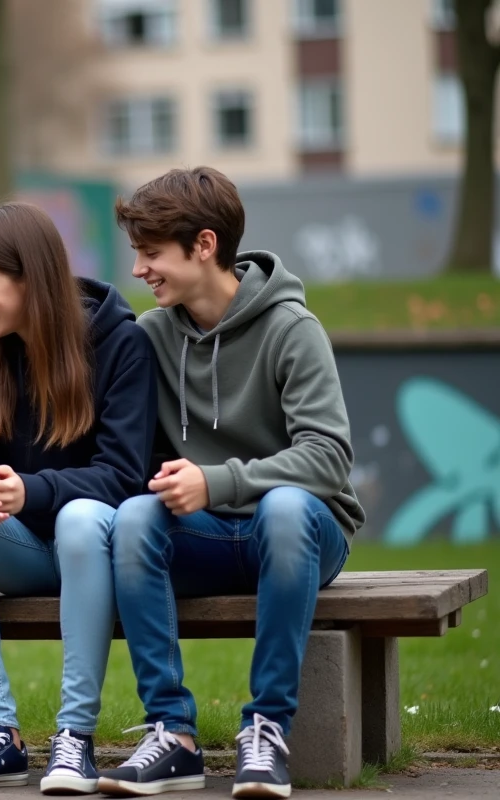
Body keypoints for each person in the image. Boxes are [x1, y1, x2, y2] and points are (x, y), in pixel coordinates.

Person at [97, 167, 362, 799]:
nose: (138, 269)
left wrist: (216, 483)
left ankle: (267, 728)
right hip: (210, 538)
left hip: (303, 534)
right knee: (134, 517)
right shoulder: (151, 336)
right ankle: (172, 735)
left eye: (152, 253)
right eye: (137, 252)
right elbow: (140, 455)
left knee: (287, 508)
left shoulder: (292, 329)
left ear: (206, 245)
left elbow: (328, 458)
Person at [0, 202, 158, 794]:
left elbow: (125, 476)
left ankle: (74, 738)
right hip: (27, 550)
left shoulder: (120, 343)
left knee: (81, 518)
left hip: (95, 543)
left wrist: (32, 489)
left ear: (27, 277)